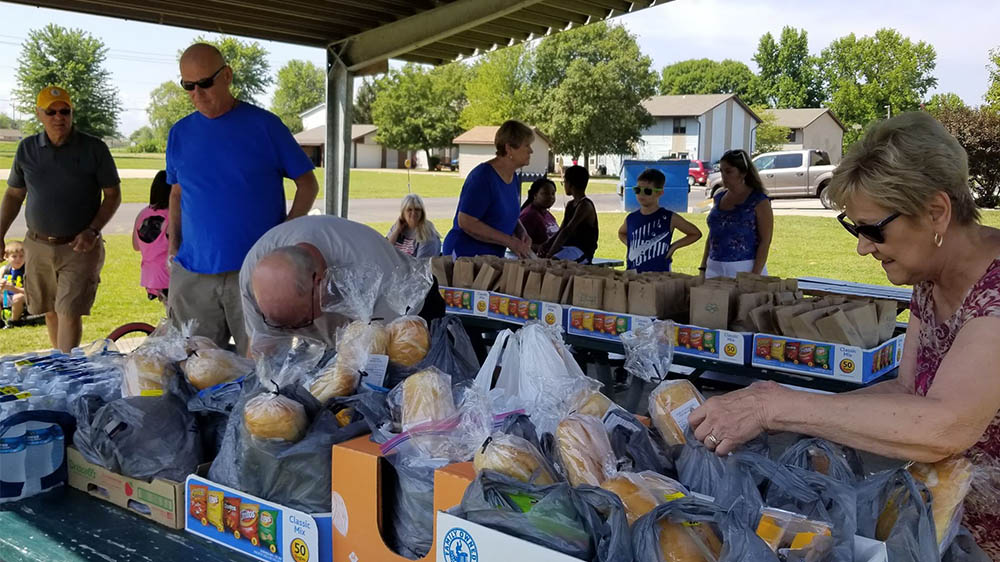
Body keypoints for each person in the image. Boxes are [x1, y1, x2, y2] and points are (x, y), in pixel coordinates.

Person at [688, 112, 1000, 555]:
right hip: (945, 530)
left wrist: (777, 407)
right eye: (854, 228)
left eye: (873, 229)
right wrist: (784, 415)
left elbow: (947, 425)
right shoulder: (930, 278)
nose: (862, 246)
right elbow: (909, 392)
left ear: (936, 212)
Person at [166, 43, 319, 354]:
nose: (197, 93)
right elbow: (177, 191)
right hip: (193, 274)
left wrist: (281, 238)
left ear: (227, 76)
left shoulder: (265, 125)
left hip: (254, 273)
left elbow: (307, 185)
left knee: (261, 366)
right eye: (188, 86)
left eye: (205, 83)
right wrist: (173, 243)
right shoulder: (179, 133)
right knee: (195, 367)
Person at [0, 86, 121, 352]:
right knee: (50, 311)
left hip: (79, 246)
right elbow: (13, 195)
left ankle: (67, 367)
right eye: (51, 111)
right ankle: (60, 363)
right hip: (38, 246)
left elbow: (112, 195)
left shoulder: (94, 149)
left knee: (68, 310)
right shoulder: (27, 149)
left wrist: (92, 230)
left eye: (64, 111)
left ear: (71, 112)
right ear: (39, 114)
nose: (58, 117)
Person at [240, 215, 445, 348]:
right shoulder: (253, 274)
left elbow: (382, 353)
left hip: (412, 308)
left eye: (301, 323)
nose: (293, 333)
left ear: (320, 283)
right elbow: (263, 348)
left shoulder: (369, 270)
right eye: (279, 323)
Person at [442, 120, 533, 259]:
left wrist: (521, 231)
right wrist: (510, 242)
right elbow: (466, 221)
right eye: (526, 145)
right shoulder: (483, 177)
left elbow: (506, 212)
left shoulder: (513, 177)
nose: (531, 150)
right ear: (509, 148)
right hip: (466, 256)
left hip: (492, 258)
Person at [698, 149, 773, 278]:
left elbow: (765, 241)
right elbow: (712, 235)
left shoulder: (759, 201)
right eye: (721, 171)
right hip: (714, 266)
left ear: (743, 173)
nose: (724, 176)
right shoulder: (719, 197)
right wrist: (703, 267)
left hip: (745, 267)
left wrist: (754, 275)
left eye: (729, 171)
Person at [618, 168, 702, 273]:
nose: (641, 194)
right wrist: (630, 244)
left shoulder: (669, 217)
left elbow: (695, 233)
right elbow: (621, 233)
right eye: (638, 190)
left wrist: (673, 247)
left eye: (647, 191)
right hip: (633, 275)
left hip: (659, 276)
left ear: (660, 193)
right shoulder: (631, 218)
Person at [541, 165, 598, 263]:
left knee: (553, 262)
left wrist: (550, 253)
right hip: (568, 248)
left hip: (581, 251)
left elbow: (567, 231)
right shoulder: (570, 204)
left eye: (564, 182)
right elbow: (562, 229)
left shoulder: (585, 205)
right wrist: (547, 244)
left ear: (570, 184)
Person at [133, 170, 171, 303]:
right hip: (168, 277)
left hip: (149, 277)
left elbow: (136, 246)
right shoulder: (172, 217)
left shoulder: (143, 213)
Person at [386, 193, 441, 258]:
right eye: (409, 210)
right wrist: (397, 231)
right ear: (403, 213)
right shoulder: (397, 227)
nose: (413, 213)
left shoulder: (427, 233)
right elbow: (384, 251)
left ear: (422, 212)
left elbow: (421, 264)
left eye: (417, 209)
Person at [518, 177, 559, 254]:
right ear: (535, 195)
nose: (551, 197)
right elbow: (519, 242)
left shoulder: (548, 214)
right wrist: (540, 248)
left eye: (553, 194)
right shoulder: (529, 216)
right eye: (546, 193)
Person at [1, 240, 26, 325]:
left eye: (21, 256)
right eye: (14, 256)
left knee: (17, 298)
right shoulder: (4, 270)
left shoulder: (28, 271)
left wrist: (13, 288)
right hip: (6, 297)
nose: (18, 259)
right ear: (6, 257)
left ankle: (14, 321)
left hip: (24, 297)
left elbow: (31, 292)